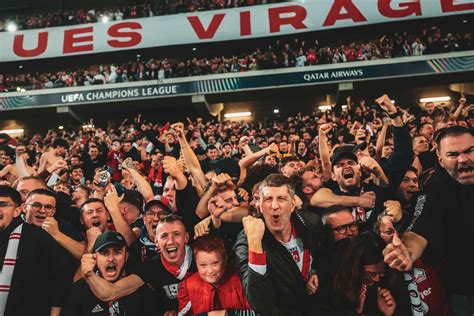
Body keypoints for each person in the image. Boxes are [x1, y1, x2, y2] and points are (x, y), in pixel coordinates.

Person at [384, 126, 474, 315]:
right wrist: (406, 251)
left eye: (470, 151)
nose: (464, 159)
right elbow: (418, 230)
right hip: (465, 290)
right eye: (453, 154)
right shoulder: (435, 190)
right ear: (440, 160)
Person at [234, 174, 322, 314]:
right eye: (268, 199)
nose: (274, 206)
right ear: (260, 206)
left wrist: (316, 271)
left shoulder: (311, 222)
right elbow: (259, 303)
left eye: (281, 199)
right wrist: (255, 243)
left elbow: (323, 252)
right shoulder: (246, 241)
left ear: (292, 205)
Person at [81, 214, 195, 314]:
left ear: (186, 237)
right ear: (156, 242)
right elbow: (112, 292)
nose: (170, 241)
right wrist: (89, 275)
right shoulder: (150, 267)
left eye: (176, 234)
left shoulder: (200, 258)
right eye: (164, 236)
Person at [0, 185, 74, 316]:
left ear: (17, 211)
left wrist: (55, 312)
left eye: (3, 204)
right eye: (36, 205)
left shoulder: (43, 238)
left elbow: (62, 279)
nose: (42, 211)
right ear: (24, 208)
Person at [63, 231, 155, 315]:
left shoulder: (139, 284)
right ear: (95, 257)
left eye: (117, 252)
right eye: (104, 253)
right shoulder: (80, 290)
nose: (111, 259)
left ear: (126, 256)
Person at [332, 232, 410, 315]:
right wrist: (357, 312)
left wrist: (390, 314)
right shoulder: (339, 284)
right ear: (356, 269)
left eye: (381, 273)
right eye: (369, 274)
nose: (377, 279)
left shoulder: (393, 281)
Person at [178, 235, 253, 315]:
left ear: (225, 259)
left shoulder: (240, 281)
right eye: (203, 265)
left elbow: (256, 313)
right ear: (196, 263)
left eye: (215, 263)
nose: (210, 271)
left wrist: (226, 314)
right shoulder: (188, 287)